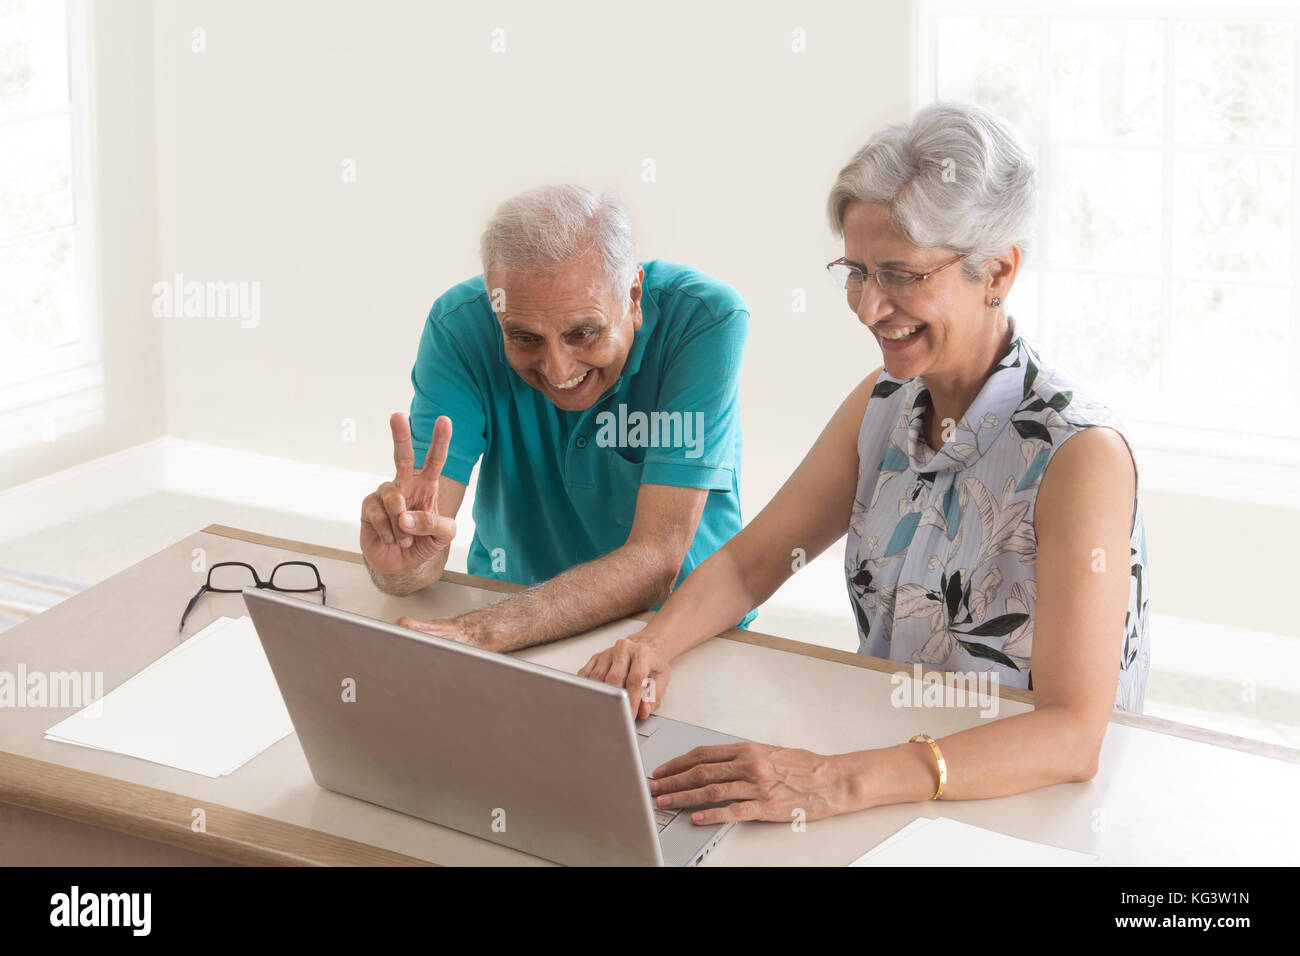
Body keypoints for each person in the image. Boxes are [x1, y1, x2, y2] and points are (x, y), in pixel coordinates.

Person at [579, 101, 1152, 825]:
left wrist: (839, 781)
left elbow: (1073, 734)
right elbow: (752, 564)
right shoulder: (886, 400)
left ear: (998, 270)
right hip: (894, 767)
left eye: (902, 275)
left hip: (1023, 801)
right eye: (855, 271)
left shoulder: (1080, 452)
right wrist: (650, 646)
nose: (868, 307)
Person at [359, 184, 754, 652]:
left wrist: (481, 630)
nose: (558, 370)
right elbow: (421, 549)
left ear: (633, 296)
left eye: (582, 333)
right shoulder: (459, 326)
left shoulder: (704, 318)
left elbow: (655, 561)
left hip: (673, 633)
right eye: (525, 338)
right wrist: (401, 563)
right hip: (511, 611)